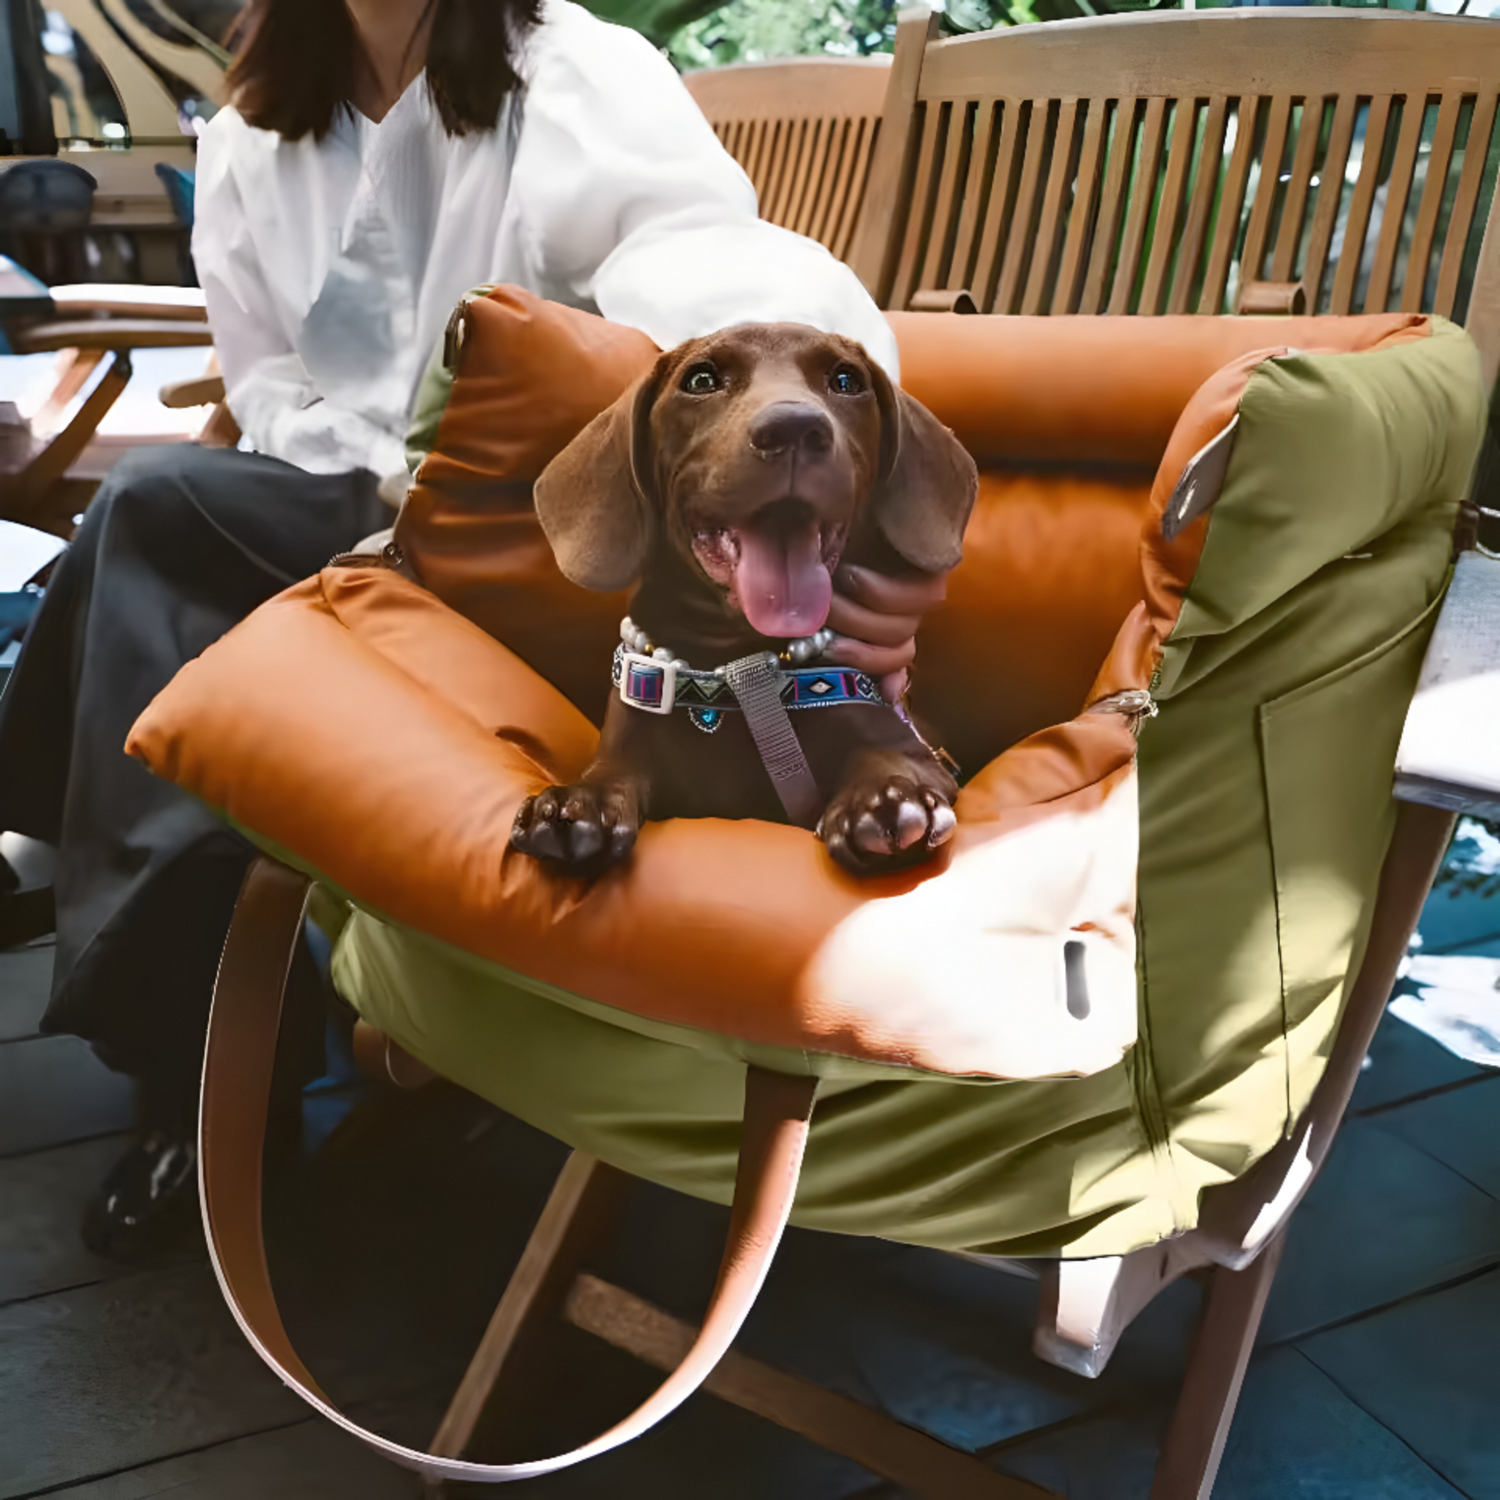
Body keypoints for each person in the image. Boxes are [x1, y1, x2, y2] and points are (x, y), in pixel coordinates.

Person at [0, 0, 946, 1257]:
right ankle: (189, 1046)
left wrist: (859, 518)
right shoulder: (247, 137)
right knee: (170, 548)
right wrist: (384, 476)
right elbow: (268, 378)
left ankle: (176, 1060)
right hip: (346, 507)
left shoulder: (573, 75)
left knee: (158, 518)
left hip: (540, 544)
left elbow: (715, 272)